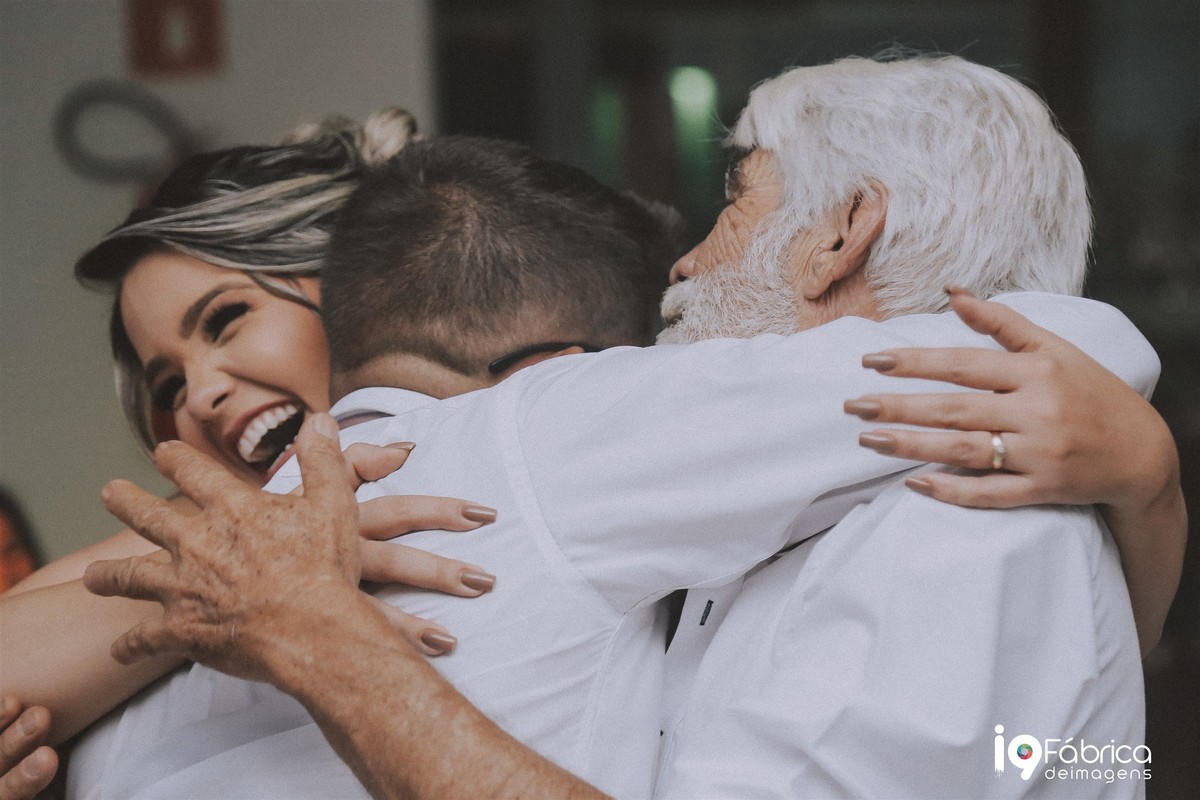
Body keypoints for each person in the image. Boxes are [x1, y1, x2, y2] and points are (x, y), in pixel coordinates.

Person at [81, 55, 1183, 799]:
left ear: (844, 229)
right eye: (163, 378)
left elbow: (1052, 737)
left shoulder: (976, 518)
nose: (689, 261)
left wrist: (323, 641)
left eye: (737, 199)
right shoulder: (764, 500)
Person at [0, 111, 517, 793]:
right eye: (170, 384)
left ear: (361, 283)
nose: (199, 396)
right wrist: (239, 573)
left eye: (225, 319)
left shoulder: (506, 430)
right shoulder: (223, 517)